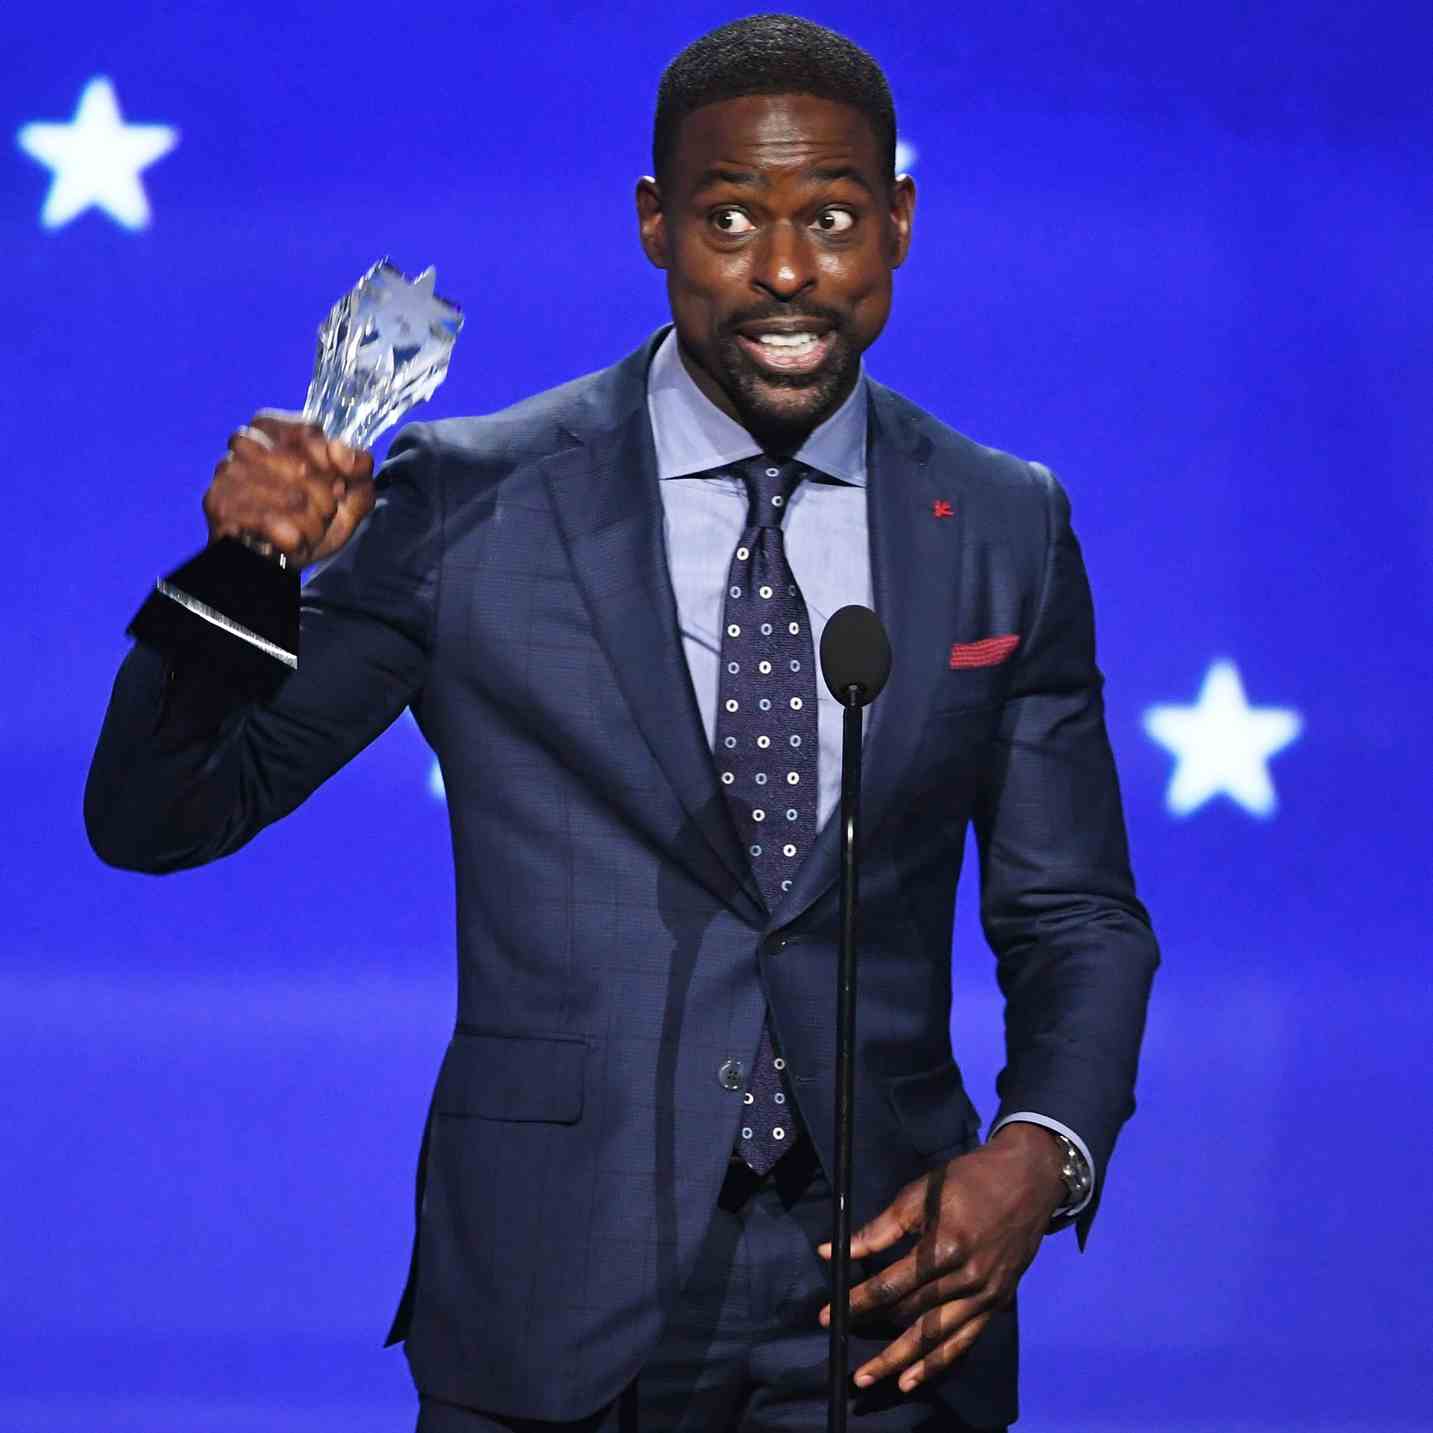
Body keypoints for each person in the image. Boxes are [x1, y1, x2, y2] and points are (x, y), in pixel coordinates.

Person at [86, 15, 1158, 1432]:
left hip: (889, 1300)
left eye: (834, 218)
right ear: (656, 223)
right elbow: (160, 816)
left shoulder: (1003, 523)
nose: (787, 271)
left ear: (899, 223)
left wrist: (1043, 1151)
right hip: (555, 1295)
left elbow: (1075, 912)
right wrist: (246, 571)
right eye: (731, 219)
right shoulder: (469, 500)